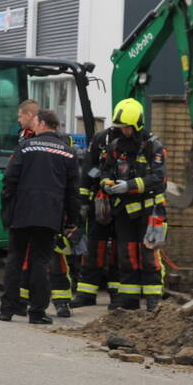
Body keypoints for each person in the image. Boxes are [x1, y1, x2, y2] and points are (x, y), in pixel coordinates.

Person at [0, 109, 80, 324]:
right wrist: (72, 221)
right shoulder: (68, 153)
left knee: (15, 259)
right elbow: (72, 192)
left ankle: (7, 309)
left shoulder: (25, 147)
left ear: (42, 124)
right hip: (49, 216)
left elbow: (9, 180)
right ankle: (37, 313)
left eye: (35, 122)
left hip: (22, 213)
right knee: (40, 263)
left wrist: (8, 210)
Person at [99, 98, 168, 311]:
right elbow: (105, 170)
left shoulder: (154, 147)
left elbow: (158, 179)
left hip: (150, 210)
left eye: (127, 128)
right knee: (126, 254)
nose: (123, 131)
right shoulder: (115, 147)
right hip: (124, 211)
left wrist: (127, 186)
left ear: (137, 125)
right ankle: (129, 301)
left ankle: (153, 300)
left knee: (148, 254)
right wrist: (107, 184)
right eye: (120, 127)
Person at [70, 124, 123, 309]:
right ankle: (86, 293)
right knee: (93, 248)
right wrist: (84, 201)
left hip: (123, 204)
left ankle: (117, 295)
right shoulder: (100, 138)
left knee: (119, 251)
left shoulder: (138, 140)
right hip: (98, 202)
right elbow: (87, 169)